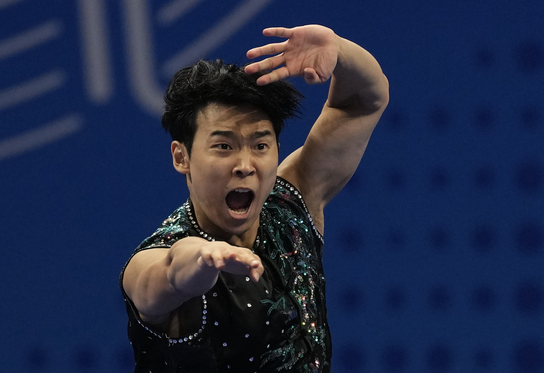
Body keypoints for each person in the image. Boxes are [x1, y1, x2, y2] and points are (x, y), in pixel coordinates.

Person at [120, 24, 389, 372]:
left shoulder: (293, 200)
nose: (245, 165)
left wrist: (339, 49)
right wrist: (203, 259)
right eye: (223, 146)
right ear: (181, 157)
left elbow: (364, 102)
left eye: (260, 145)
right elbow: (166, 274)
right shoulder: (156, 255)